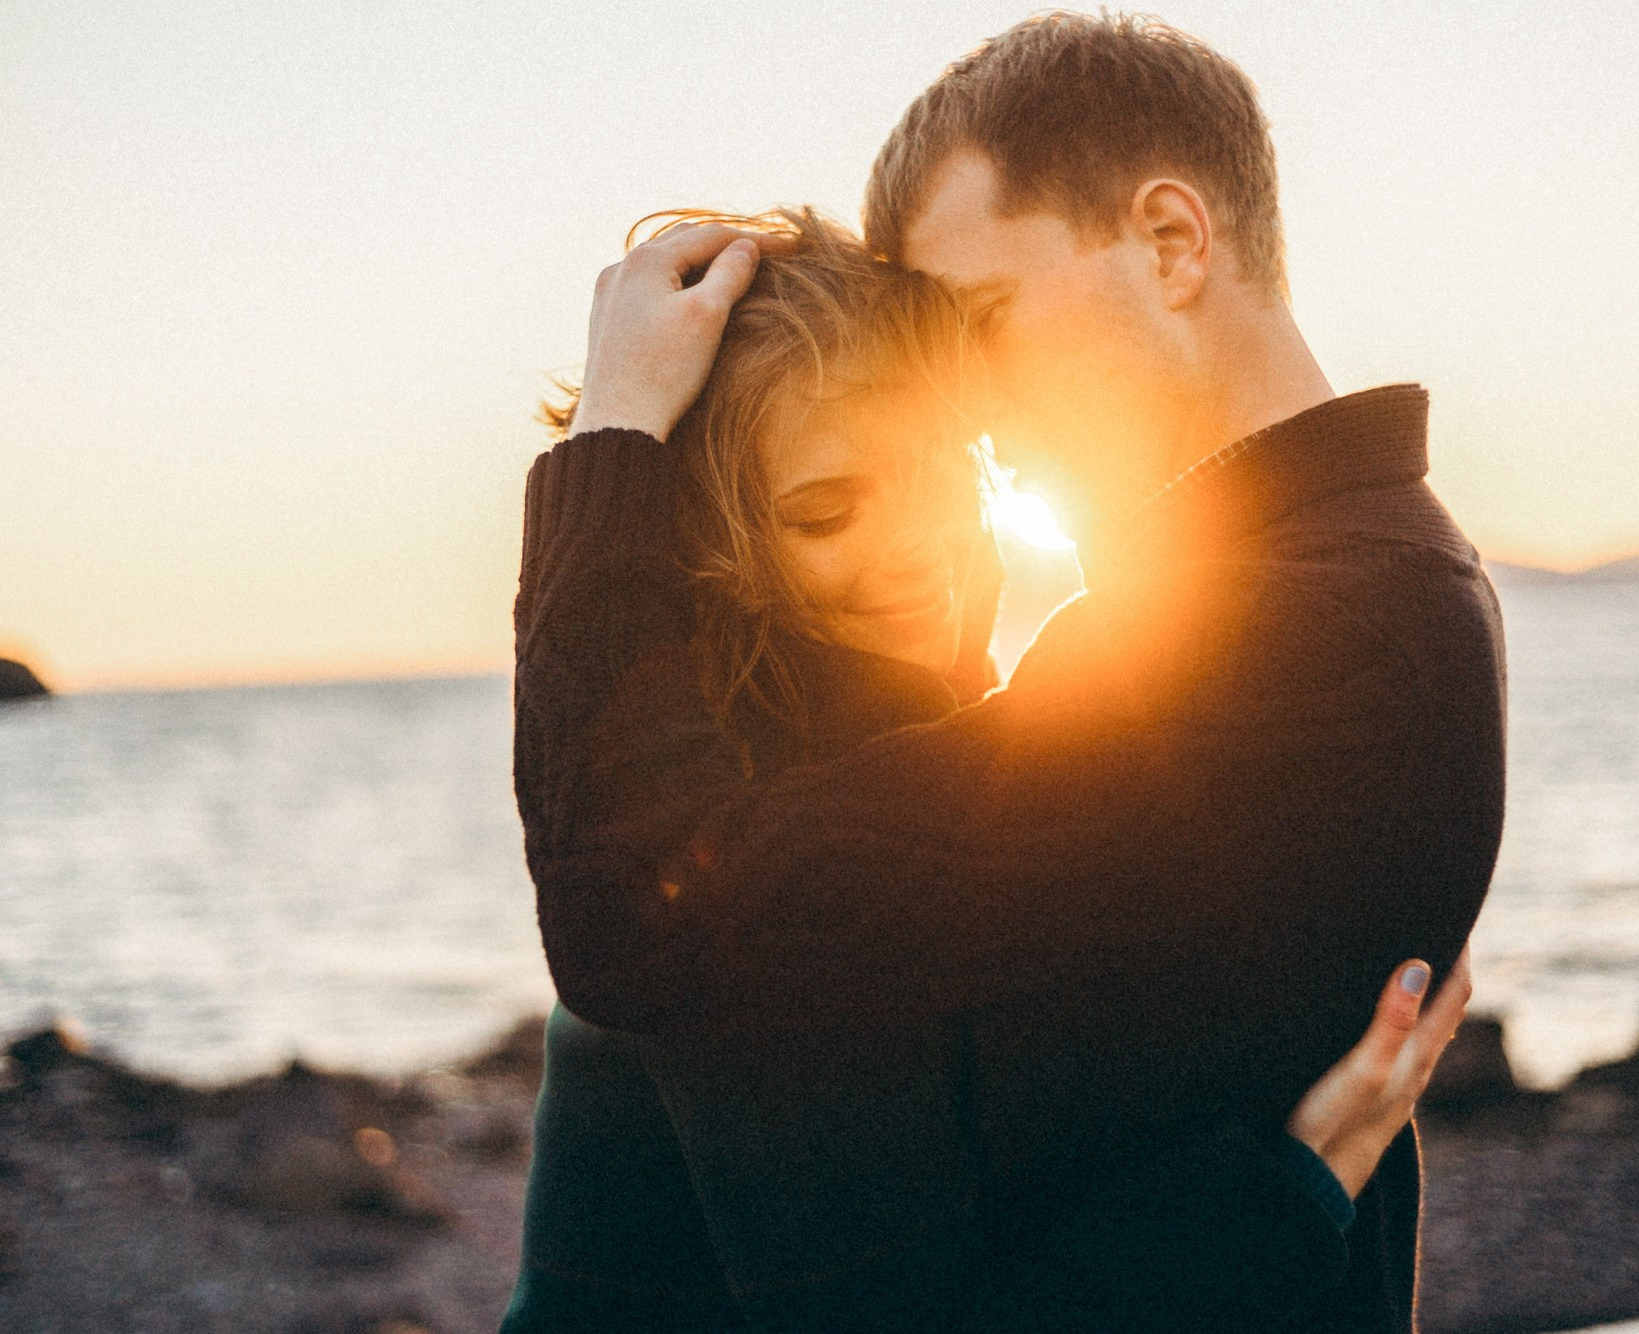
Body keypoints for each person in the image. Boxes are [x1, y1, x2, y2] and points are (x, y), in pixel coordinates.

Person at [506, 209, 1474, 1331]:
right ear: (704, 555)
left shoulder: (899, 780)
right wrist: (1294, 1192)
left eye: (944, 475)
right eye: (826, 511)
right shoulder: (750, 888)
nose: (917, 545)